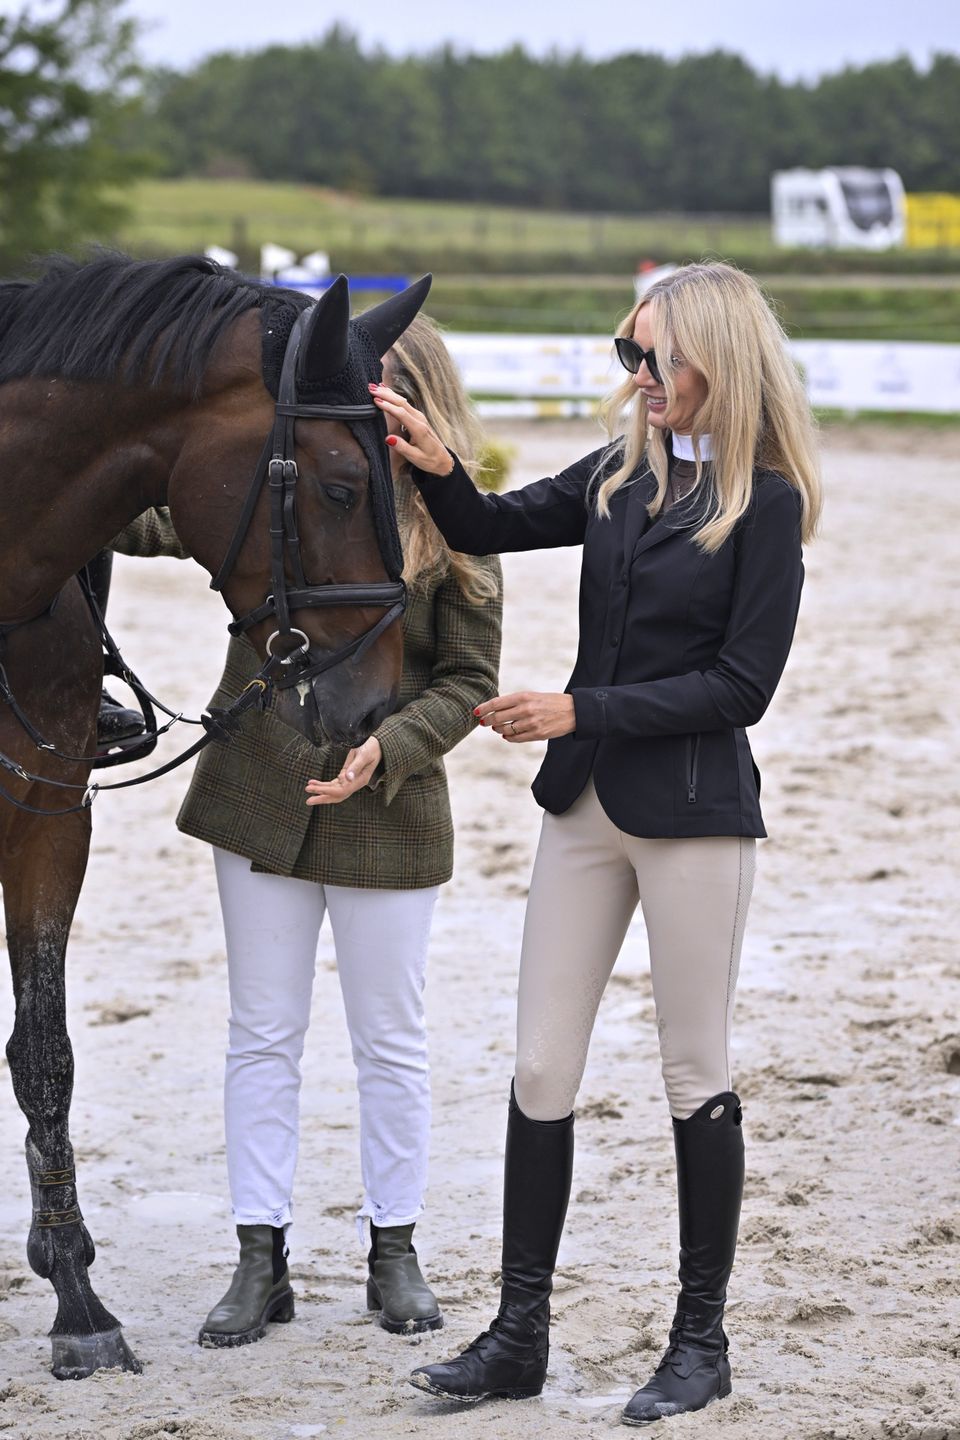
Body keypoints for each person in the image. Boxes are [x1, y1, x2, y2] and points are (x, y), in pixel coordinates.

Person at [370, 262, 822, 1423]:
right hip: (583, 811)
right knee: (539, 1069)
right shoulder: (622, 475)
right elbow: (488, 524)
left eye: (657, 357)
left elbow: (744, 685)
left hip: (692, 816)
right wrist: (435, 458)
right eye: (629, 354)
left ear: (718, 357)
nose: (640, 377)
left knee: (692, 1072)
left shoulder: (765, 504)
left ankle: (699, 1343)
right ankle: (520, 1334)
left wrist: (581, 710)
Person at [173, 313, 503, 1346]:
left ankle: (393, 1249)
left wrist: (389, 750)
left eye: (386, 389)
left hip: (388, 808)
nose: (366, 408)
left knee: (389, 1043)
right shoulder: (280, 480)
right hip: (260, 792)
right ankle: (259, 1255)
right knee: (261, 1035)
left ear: (424, 397)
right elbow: (162, 504)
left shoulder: (462, 526)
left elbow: (469, 682)